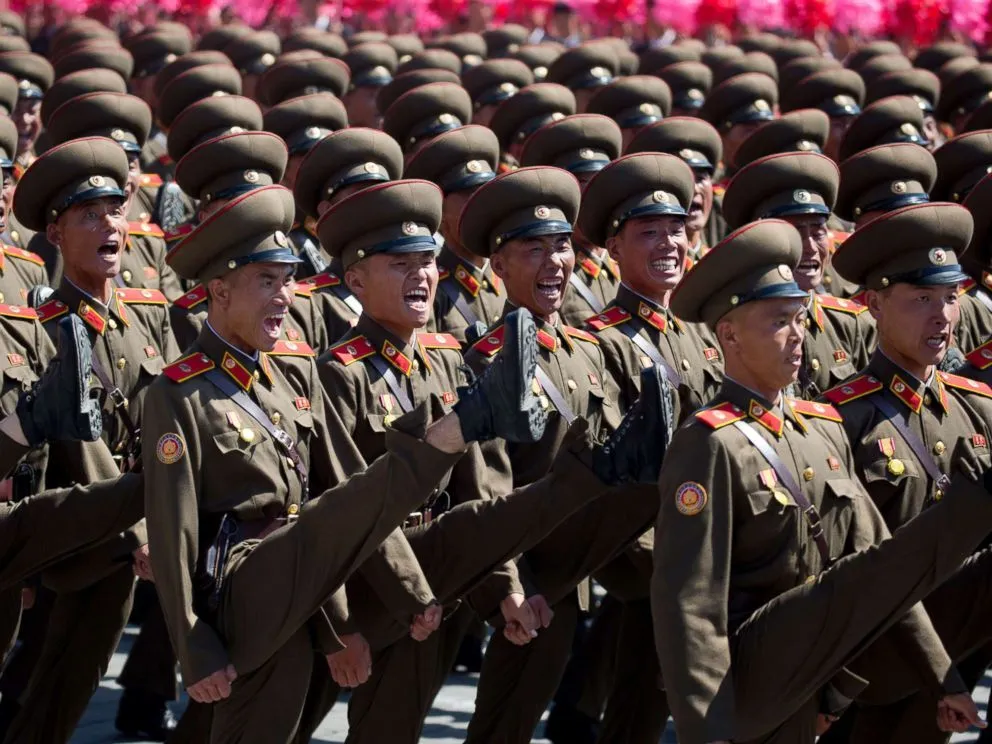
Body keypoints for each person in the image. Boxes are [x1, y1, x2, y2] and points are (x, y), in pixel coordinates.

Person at [144, 181, 558, 744]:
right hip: (244, 589)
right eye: (267, 281)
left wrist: (406, 595)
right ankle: (455, 430)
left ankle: (462, 434)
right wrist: (194, 649)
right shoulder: (178, 393)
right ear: (218, 291)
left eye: (289, 280)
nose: (285, 297)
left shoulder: (292, 374)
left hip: (308, 586)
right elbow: (174, 533)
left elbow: (344, 491)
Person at [310, 177, 670, 744]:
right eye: (402, 263)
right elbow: (339, 504)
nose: (422, 275)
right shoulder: (344, 373)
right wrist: (343, 625)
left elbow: (479, 484)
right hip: (392, 577)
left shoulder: (460, 360)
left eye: (427, 260)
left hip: (482, 568)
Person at [653, 217, 992, 744]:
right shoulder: (710, 444)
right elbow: (689, 605)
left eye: (800, 317)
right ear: (729, 334)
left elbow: (877, 564)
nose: (798, 335)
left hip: (813, 680)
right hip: (750, 678)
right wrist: (709, 731)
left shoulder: (821, 427)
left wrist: (941, 680)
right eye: (778, 321)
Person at [2, 136, 177, 744]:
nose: (109, 226)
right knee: (32, 669)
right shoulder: (44, 324)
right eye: (87, 216)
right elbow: (72, 444)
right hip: (66, 529)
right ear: (54, 237)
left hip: (125, 535)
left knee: (73, 681)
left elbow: (168, 425)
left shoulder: (147, 314)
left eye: (114, 211)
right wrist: (141, 526)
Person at [818, 202, 992, 744]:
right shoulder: (840, 420)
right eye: (921, 300)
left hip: (956, 642)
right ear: (873, 304)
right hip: (871, 662)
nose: (941, 317)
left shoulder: (978, 406)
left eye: (949, 299)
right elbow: (845, 570)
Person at [721, 150, 876, 398]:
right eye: (794, 234)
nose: (811, 247)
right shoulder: (735, 327)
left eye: (817, 232)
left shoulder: (851, 324)